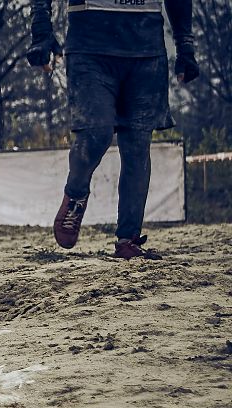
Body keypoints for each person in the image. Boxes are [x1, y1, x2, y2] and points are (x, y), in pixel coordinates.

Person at [29, 0, 198, 259]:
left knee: (138, 146)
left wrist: (185, 45)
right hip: (89, 47)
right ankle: (76, 194)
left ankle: (128, 239)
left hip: (146, 49)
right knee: (95, 134)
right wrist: (41, 31)